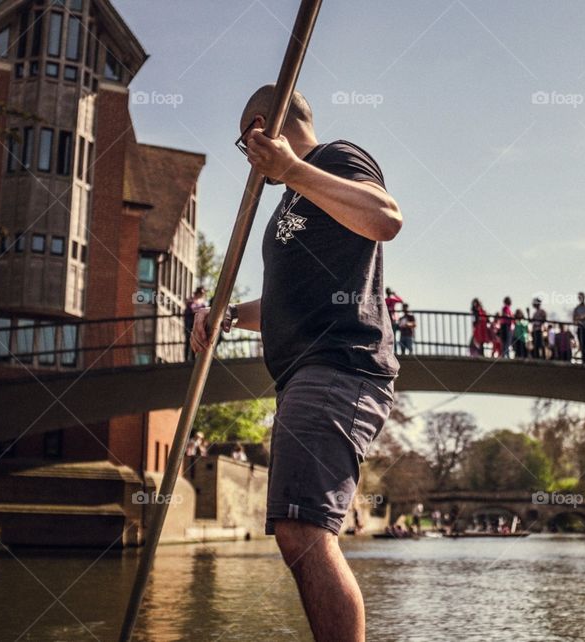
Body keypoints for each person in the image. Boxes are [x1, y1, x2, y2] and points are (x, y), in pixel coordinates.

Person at [193, 85, 402, 642]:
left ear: (262, 127)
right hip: (303, 376)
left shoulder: (334, 159)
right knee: (295, 528)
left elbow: (385, 219)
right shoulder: (288, 201)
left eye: (246, 145)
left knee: (302, 526)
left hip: (339, 364)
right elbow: (287, 303)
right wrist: (229, 316)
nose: (250, 162)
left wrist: (293, 169)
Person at [183, 286, 207, 362]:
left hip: (197, 323)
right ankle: (186, 359)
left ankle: (193, 358)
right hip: (189, 323)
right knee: (188, 340)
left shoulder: (202, 303)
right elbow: (189, 310)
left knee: (196, 340)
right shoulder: (191, 301)